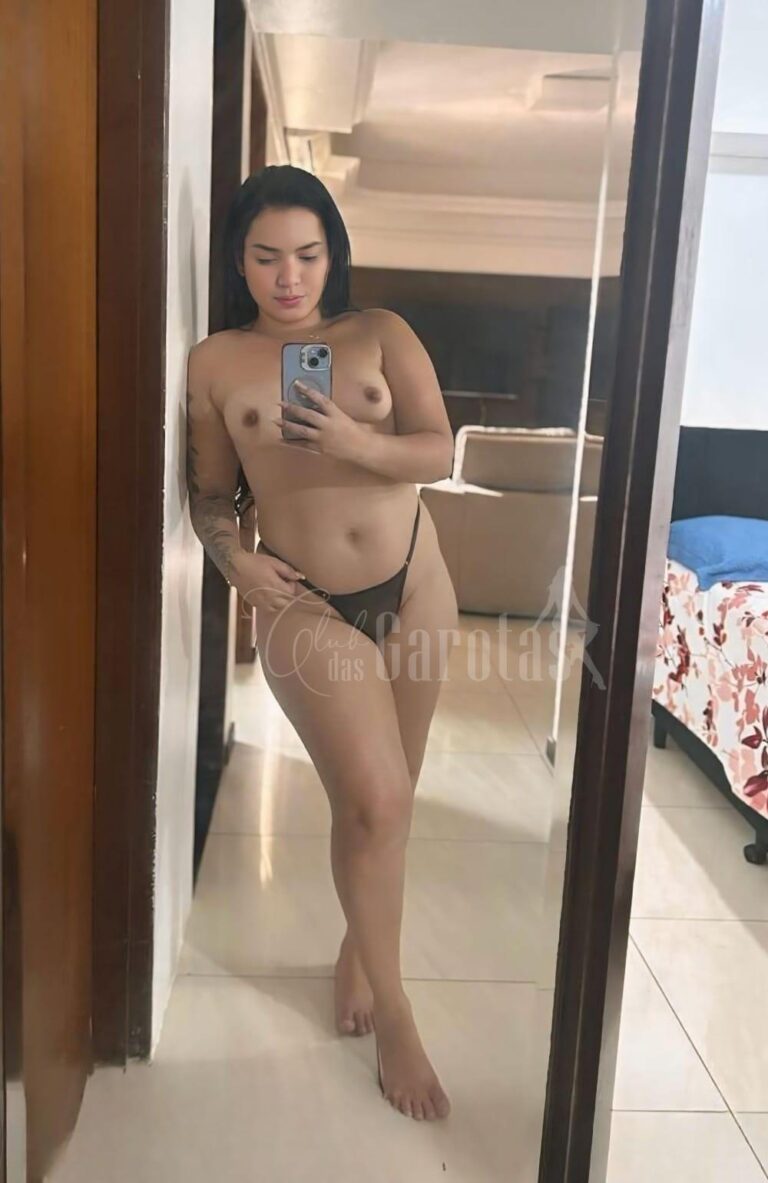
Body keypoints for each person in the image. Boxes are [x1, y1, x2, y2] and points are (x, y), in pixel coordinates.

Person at [186, 164, 459, 1121]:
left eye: (307, 254)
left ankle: (358, 946)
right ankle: (397, 1015)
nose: (289, 276)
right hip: (305, 603)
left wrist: (357, 443)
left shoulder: (380, 332)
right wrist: (236, 562)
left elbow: (439, 448)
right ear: (239, 261)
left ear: (332, 253)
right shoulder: (215, 363)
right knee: (374, 800)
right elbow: (210, 496)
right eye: (267, 256)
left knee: (394, 798)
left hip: (416, 582)